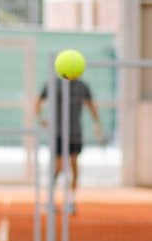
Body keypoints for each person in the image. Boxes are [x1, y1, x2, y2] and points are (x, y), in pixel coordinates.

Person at [36, 72, 104, 211]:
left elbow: (91, 104)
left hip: (75, 133)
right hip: (58, 133)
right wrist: (40, 118)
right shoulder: (53, 84)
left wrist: (97, 123)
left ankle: (71, 201)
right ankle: (51, 200)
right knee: (58, 165)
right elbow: (39, 100)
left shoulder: (82, 86)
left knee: (74, 164)